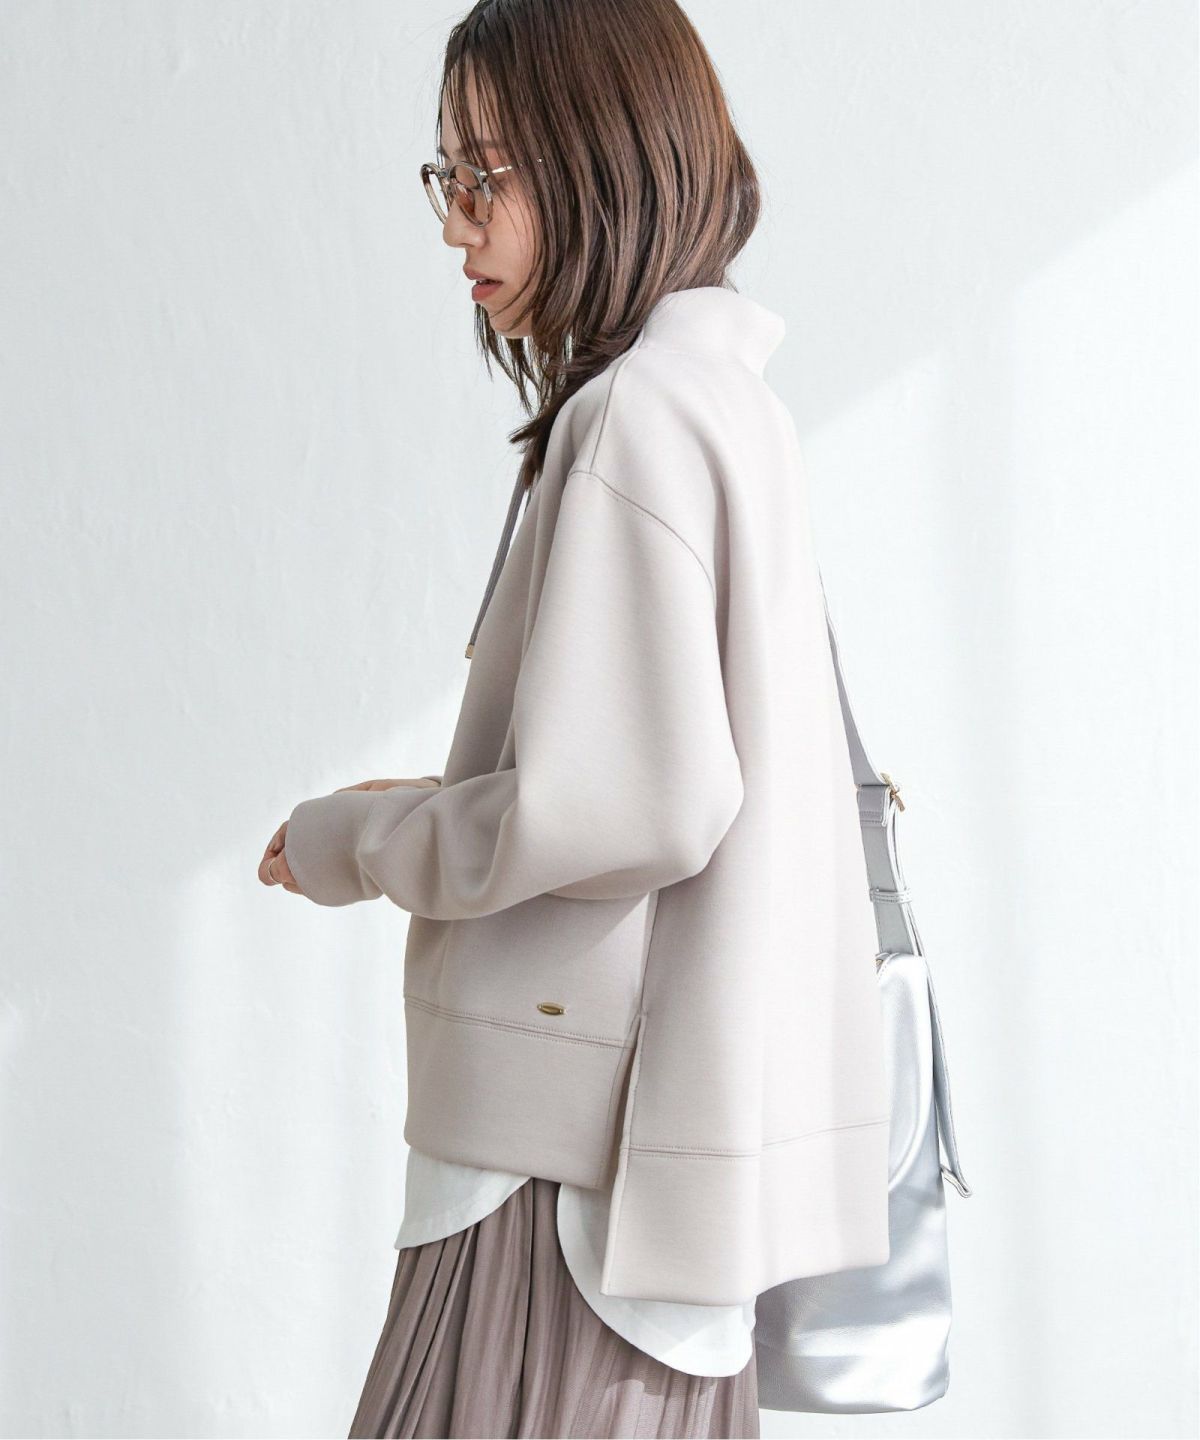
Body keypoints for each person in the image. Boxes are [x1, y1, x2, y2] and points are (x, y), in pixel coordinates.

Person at [260, 1, 891, 1435]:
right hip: (646, 1161)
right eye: (448, 174)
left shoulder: (633, 420)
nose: (455, 222)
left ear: (600, 157)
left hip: (559, 1181)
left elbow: (626, 806)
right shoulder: (725, 404)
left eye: (487, 173)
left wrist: (357, 841)